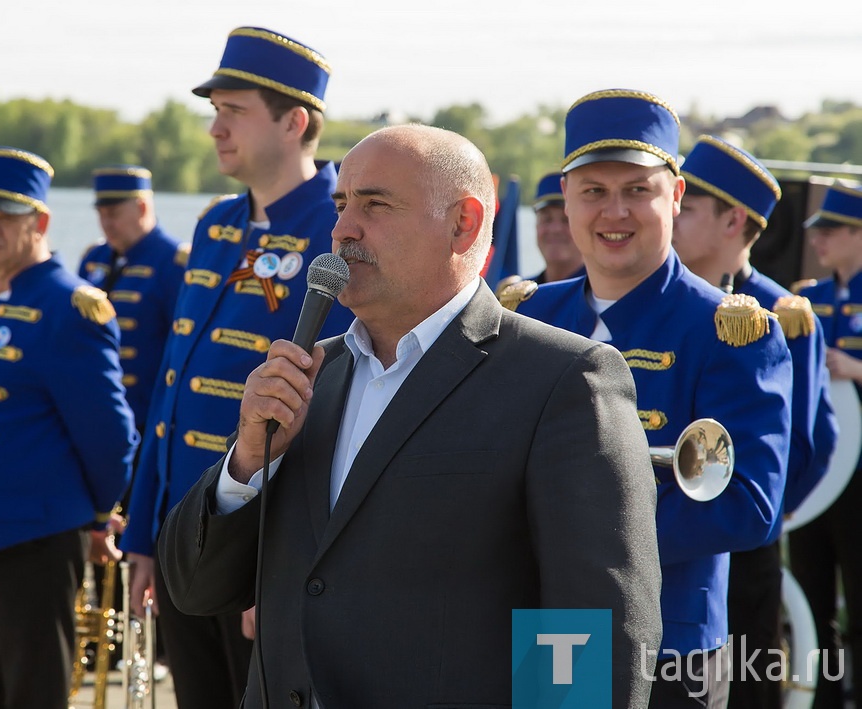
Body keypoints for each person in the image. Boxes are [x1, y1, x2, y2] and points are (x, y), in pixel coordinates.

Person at [157, 123, 663, 708]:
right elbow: (195, 589)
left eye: (376, 204)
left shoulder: (562, 380)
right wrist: (246, 463)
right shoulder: (310, 380)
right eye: (342, 204)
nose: (344, 229)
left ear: (462, 223)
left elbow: (584, 628)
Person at [508, 89, 793, 708]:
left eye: (637, 190)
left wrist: (580, 539)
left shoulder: (731, 329)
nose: (615, 212)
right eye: (593, 192)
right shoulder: (526, 319)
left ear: (677, 195)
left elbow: (748, 505)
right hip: (552, 630)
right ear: (567, 198)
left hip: (670, 645)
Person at [118, 26, 354, 709]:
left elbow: (333, 415)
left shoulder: (337, 230)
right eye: (213, 110)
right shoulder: (216, 224)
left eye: (233, 110)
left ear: (295, 120)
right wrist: (145, 536)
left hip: (263, 561)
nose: (215, 127)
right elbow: (169, 393)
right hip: (186, 542)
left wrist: (286, 571)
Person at [0, 146, 139, 708]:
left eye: (4, 217)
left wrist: (89, 519)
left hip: (29, 546)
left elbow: (111, 440)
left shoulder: (70, 307)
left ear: (38, 222)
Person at [672, 134, 838, 708]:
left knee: (744, 684)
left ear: (732, 221)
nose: (670, 216)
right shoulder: (663, 303)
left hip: (741, 545)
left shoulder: (780, 314)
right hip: (662, 541)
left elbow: (811, 439)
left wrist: (764, 511)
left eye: (687, 208)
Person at [788, 183, 862, 709]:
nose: (818, 241)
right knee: (811, 590)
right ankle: (824, 697)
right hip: (817, 468)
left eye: (831, 230)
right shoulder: (805, 299)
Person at [79, 165, 187, 441]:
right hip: (92, 412)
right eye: (101, 214)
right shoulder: (94, 258)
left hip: (145, 418)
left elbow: (182, 348)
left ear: (141, 207)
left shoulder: (174, 263)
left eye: (113, 214)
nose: (106, 224)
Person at [529, 170, 585, 284]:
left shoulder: (603, 295)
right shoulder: (520, 296)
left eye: (566, 220)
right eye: (547, 219)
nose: (555, 229)